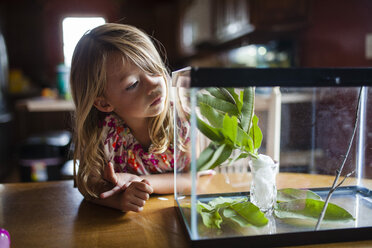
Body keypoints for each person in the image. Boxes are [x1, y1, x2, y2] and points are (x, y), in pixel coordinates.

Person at [70, 23, 189, 213]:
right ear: (103, 103)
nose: (153, 84)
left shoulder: (183, 118)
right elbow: (88, 185)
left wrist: (142, 182)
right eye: (133, 84)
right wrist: (119, 200)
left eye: (153, 70)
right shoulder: (102, 132)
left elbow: (197, 180)